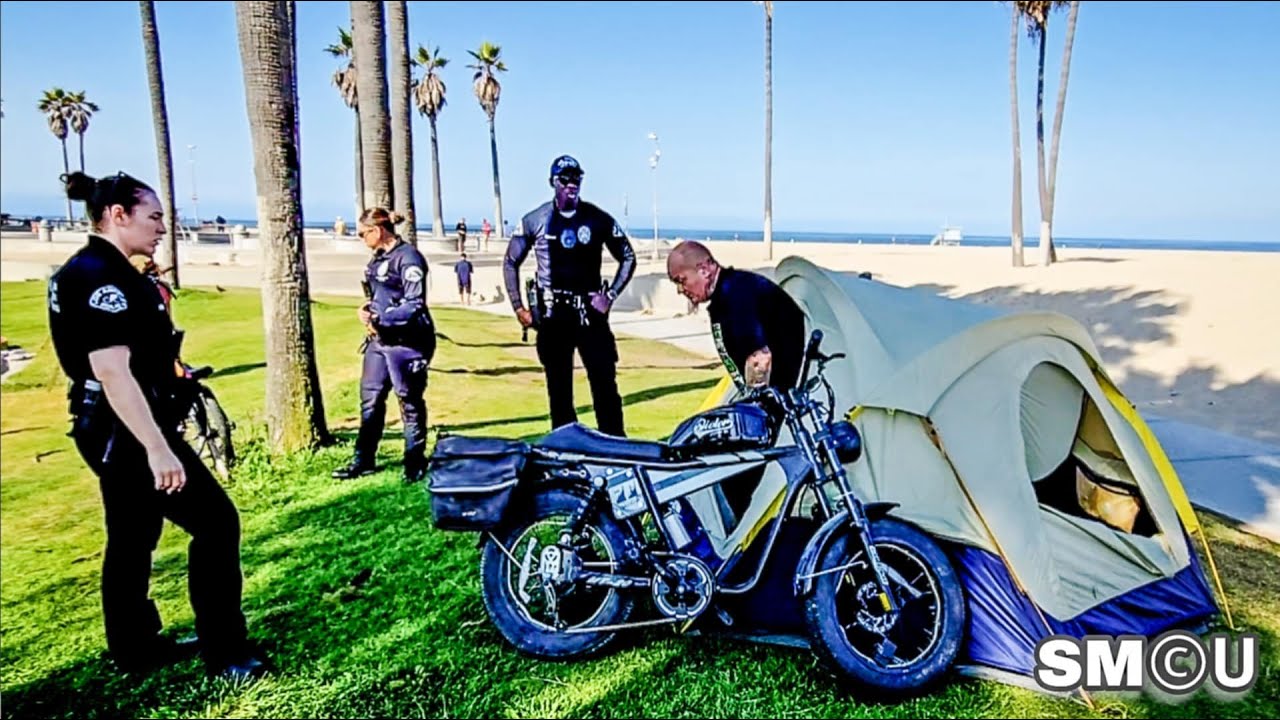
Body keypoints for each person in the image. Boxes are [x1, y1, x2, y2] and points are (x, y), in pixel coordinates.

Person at [46, 170, 266, 680]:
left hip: (110, 424)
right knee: (215, 523)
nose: (163, 226)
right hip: (127, 431)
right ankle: (226, 651)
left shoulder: (97, 269)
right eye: (154, 216)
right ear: (117, 215)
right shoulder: (102, 277)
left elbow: (133, 356)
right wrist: (157, 450)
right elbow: (111, 370)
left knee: (132, 535)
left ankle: (134, 647)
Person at [504, 154, 636, 437]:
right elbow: (510, 262)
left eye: (576, 178)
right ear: (553, 182)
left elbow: (627, 256)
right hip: (553, 316)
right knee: (559, 390)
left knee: (604, 386)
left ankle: (614, 446)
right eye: (565, 179)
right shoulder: (536, 219)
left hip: (590, 313)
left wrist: (610, 296)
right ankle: (567, 448)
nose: (571, 184)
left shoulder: (596, 218)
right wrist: (518, 307)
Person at [333, 207, 437, 483]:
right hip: (378, 342)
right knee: (371, 400)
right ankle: (363, 460)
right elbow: (376, 294)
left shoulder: (409, 258)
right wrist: (365, 312)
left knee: (409, 401)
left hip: (407, 343)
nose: (361, 238)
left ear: (378, 231)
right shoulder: (377, 258)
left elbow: (415, 304)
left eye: (363, 233)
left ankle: (414, 462)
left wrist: (382, 318)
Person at [666, 240, 805, 394]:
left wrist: (757, 406)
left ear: (704, 270)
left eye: (681, 280)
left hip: (786, 397)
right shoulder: (724, 296)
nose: (680, 290)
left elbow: (759, 359)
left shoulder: (737, 295)